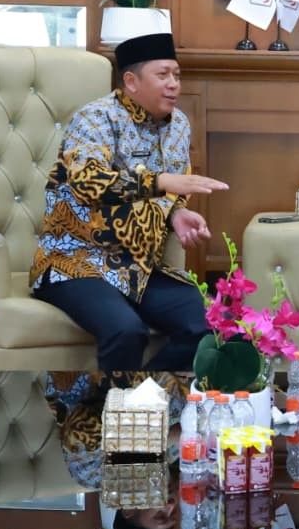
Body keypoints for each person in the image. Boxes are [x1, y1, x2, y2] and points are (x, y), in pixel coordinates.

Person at [30, 32, 228, 373]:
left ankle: (145, 397)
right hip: (74, 262)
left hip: (139, 266)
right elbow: (87, 181)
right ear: (131, 81)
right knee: (125, 330)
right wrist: (158, 181)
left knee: (210, 324)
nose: (174, 84)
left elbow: (174, 192)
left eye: (177, 75)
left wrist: (176, 214)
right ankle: (110, 407)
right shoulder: (95, 118)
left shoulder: (179, 125)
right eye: (163, 75)